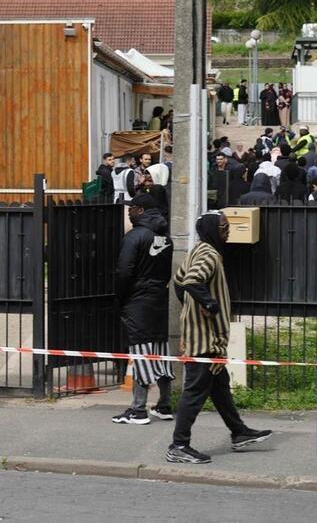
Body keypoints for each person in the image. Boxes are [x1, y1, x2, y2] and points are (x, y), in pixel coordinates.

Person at [166, 212, 272, 464]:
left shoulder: (198, 249)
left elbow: (179, 281)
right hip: (205, 340)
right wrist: (209, 305)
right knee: (194, 393)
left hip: (206, 337)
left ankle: (239, 432)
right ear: (213, 229)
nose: (228, 231)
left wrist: (189, 311)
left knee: (220, 388)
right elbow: (192, 280)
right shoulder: (210, 255)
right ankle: (178, 445)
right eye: (224, 227)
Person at [112, 193, 175, 425]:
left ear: (140, 210)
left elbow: (124, 271)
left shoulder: (135, 236)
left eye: (131, 208)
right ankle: (165, 404)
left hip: (137, 300)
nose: (128, 212)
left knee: (140, 351)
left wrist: (120, 297)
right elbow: (167, 271)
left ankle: (138, 409)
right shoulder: (165, 237)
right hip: (159, 298)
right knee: (160, 349)